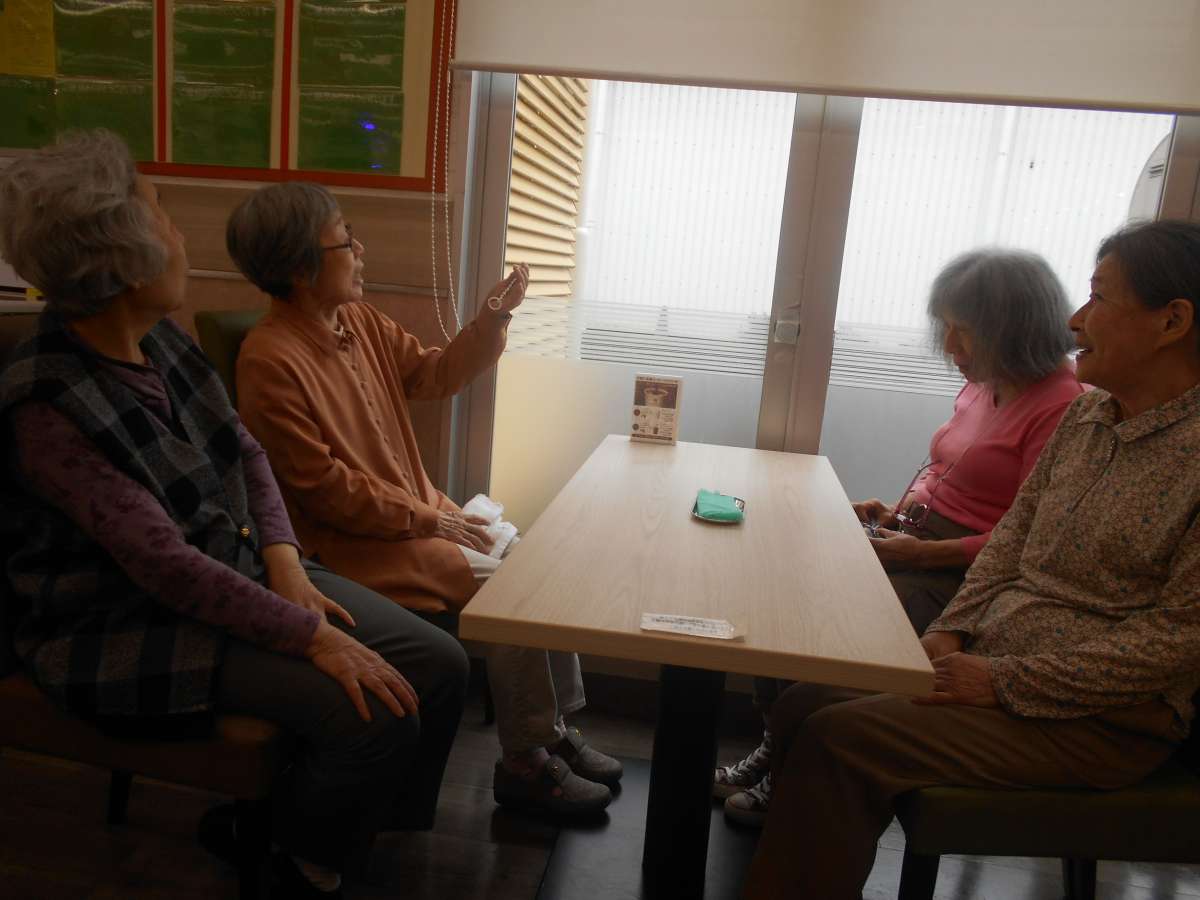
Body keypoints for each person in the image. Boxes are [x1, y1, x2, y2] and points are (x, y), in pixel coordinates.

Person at [0, 130, 470, 900]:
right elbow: (164, 567)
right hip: (125, 626)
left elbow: (245, 453)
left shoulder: (158, 341)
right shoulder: (48, 404)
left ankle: (331, 831)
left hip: (235, 565)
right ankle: (300, 866)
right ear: (121, 258)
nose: (182, 235)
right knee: (374, 713)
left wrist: (285, 564)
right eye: (162, 213)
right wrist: (312, 635)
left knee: (442, 666)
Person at [743, 219, 1200, 899]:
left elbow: (1178, 641)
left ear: (1173, 321)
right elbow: (1011, 541)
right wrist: (951, 631)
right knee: (802, 704)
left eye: (1100, 297)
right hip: (995, 659)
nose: (1076, 320)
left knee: (838, 737)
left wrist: (1002, 680)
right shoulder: (1091, 419)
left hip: (1100, 719)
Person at [227, 182, 622, 818]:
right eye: (345, 240)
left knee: (534, 566)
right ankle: (524, 763)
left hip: (417, 522)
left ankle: (548, 734)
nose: (360, 250)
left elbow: (434, 374)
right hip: (361, 549)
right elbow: (325, 490)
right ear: (301, 268)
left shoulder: (357, 322)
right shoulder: (269, 359)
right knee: (517, 594)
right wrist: (426, 517)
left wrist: (493, 317)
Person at [718, 249, 1083, 825]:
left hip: (967, 576)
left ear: (1013, 330)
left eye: (964, 332)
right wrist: (897, 511)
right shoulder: (985, 384)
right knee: (779, 593)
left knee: (825, 620)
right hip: (918, 541)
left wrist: (925, 552)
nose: (950, 347)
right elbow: (947, 469)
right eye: (947, 329)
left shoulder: (1064, 408)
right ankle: (776, 742)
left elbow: (1030, 539)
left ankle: (792, 769)